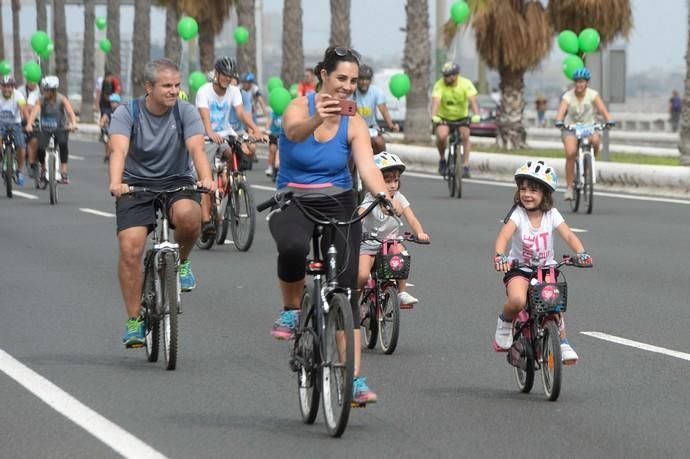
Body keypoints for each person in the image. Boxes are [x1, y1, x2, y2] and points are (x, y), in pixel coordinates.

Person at [268, 46, 398, 405]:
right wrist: (316, 118)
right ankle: (292, 311)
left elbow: (367, 165)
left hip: (339, 201)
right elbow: (293, 133)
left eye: (353, 81)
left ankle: (354, 378)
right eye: (341, 78)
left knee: (347, 287)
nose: (347, 87)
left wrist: (382, 194)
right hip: (294, 199)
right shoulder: (299, 105)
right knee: (293, 247)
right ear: (322, 74)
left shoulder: (354, 120)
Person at [108, 58, 216, 348]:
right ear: (148, 87)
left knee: (189, 216)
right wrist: (116, 182)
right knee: (130, 246)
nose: (174, 91)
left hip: (176, 180)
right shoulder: (127, 113)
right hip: (135, 184)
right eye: (167, 86)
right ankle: (134, 320)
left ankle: (182, 262)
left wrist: (206, 179)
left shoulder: (186, 112)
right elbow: (118, 149)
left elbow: (197, 148)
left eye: (177, 85)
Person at [492, 160, 592, 365]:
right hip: (519, 269)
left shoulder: (551, 214)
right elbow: (503, 237)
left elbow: (569, 236)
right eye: (523, 189)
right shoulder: (518, 214)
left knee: (554, 302)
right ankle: (504, 322)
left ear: (545, 194)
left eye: (534, 190)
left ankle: (562, 342)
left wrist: (581, 252)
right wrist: (500, 256)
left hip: (546, 268)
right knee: (518, 300)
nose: (527, 194)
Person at [195, 57, 262, 241]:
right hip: (205, 137)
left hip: (225, 135)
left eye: (229, 76)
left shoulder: (234, 92)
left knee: (234, 154)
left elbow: (241, 113)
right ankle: (206, 220)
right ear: (216, 74)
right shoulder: (204, 92)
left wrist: (255, 130)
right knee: (205, 176)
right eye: (223, 75)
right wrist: (210, 133)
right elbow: (205, 118)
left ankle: (230, 184)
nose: (226, 79)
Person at [357, 152, 429, 308]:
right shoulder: (371, 198)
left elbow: (412, 218)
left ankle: (401, 292)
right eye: (387, 180)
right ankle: (354, 303)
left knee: (401, 256)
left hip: (390, 241)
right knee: (362, 275)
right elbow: (360, 215)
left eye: (396, 180)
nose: (393, 185)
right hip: (369, 242)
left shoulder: (399, 198)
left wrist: (420, 232)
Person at [554, 67, 613, 201]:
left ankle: (589, 161)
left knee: (596, 140)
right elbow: (561, 111)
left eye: (582, 82)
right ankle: (569, 187)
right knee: (571, 152)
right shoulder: (568, 96)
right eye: (577, 82)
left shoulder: (593, 94)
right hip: (571, 127)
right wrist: (559, 120)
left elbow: (602, 109)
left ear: (587, 83)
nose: (580, 85)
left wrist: (609, 119)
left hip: (588, 126)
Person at [431, 62, 481, 178]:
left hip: (461, 117)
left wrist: (476, 114)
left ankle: (466, 165)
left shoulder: (466, 83)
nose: (447, 78)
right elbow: (436, 102)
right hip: (444, 117)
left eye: (449, 75)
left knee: (465, 136)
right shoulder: (439, 85)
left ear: (456, 75)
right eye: (445, 75)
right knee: (442, 136)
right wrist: (434, 116)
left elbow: (473, 101)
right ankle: (442, 159)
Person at [25, 76, 77, 184]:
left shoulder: (61, 99)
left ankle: (64, 171)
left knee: (63, 144)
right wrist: (29, 124)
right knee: (40, 149)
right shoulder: (41, 100)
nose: (44, 92)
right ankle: (43, 169)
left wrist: (73, 123)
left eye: (47, 90)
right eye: (44, 89)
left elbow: (70, 112)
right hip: (45, 129)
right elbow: (34, 112)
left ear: (53, 91)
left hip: (60, 128)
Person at [353, 64, 399, 154]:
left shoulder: (376, 91)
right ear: (357, 79)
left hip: (371, 128)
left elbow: (383, 110)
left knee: (379, 143)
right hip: (354, 128)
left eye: (367, 79)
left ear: (371, 80)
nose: (364, 82)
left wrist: (391, 125)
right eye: (361, 79)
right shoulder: (352, 91)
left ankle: (381, 167)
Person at [0, 75, 29, 185]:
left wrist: (26, 121)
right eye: (4, 86)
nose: (7, 89)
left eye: (10, 86)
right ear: (1, 87)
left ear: (13, 87)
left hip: (15, 124)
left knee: (21, 146)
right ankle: (3, 160)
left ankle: (19, 171)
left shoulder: (18, 95)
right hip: (1, 124)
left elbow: (23, 109)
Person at [17, 80, 40, 176]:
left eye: (34, 81)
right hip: (22, 119)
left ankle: (32, 163)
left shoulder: (40, 90)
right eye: (30, 81)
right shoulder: (20, 90)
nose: (32, 84)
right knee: (19, 142)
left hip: (36, 120)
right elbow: (22, 107)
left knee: (35, 139)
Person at [99, 93, 121, 162]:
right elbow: (104, 118)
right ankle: (107, 154)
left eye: (115, 102)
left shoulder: (121, 111)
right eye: (112, 102)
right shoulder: (108, 111)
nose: (113, 104)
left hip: (119, 130)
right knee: (107, 141)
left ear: (118, 103)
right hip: (109, 130)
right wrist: (102, 123)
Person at [265, 109, 282, 178]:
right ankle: (270, 167)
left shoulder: (286, 112)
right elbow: (268, 123)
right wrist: (267, 129)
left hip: (282, 135)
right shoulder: (273, 113)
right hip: (273, 134)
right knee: (272, 149)